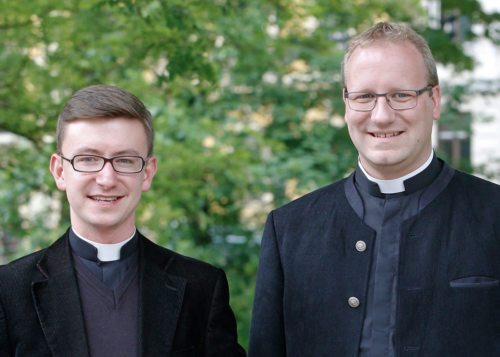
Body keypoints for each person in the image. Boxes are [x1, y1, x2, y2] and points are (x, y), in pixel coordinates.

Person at [249, 22, 500, 356]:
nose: (381, 116)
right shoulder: (290, 229)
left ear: (434, 101)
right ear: (346, 104)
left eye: (401, 95)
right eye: (365, 96)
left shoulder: (494, 216)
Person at [0, 84, 245, 356]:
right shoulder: (8, 292)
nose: (107, 179)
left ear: (147, 173)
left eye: (126, 160)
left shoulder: (202, 289)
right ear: (59, 171)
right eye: (88, 159)